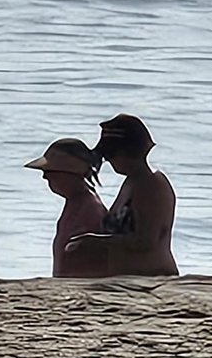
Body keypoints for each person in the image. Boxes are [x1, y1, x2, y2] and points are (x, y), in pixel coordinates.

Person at [64, 114, 178, 277]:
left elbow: (146, 241)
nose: (108, 161)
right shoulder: (132, 181)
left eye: (110, 155)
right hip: (126, 277)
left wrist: (94, 242)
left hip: (152, 276)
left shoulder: (151, 184)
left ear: (127, 151)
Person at [24, 138, 109, 277]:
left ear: (69, 173)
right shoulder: (77, 203)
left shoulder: (89, 210)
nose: (45, 177)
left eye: (50, 172)